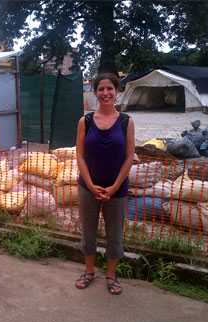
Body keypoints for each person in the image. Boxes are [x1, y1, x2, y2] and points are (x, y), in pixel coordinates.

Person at [74, 73, 135, 295]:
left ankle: (111, 275)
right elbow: (80, 155)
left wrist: (114, 186)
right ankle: (89, 271)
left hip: (116, 190)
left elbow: (130, 157)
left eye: (110, 88)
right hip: (88, 188)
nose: (106, 93)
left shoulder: (126, 121)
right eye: (101, 89)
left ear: (117, 91)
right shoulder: (86, 121)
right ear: (95, 92)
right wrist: (90, 185)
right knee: (88, 232)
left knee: (115, 235)